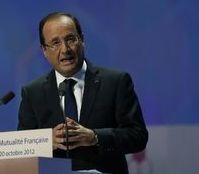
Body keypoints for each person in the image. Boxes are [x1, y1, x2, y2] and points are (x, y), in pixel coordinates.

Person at [17, 12, 148, 174]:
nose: (65, 49)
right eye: (55, 43)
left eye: (70, 39)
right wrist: (47, 140)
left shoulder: (116, 81)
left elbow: (138, 136)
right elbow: (23, 146)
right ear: (44, 50)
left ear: (82, 40)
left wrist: (94, 137)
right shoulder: (32, 92)